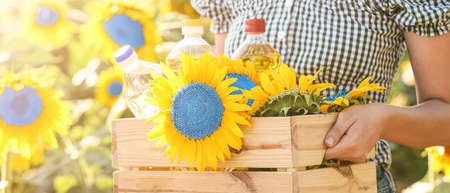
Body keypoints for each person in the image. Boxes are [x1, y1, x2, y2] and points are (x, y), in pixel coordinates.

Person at [191, 0, 450, 192]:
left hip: (344, 182)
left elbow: (444, 116)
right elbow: (228, 89)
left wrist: (383, 120)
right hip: (243, 183)